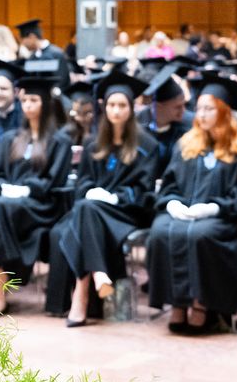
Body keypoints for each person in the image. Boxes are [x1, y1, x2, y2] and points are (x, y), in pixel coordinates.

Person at [44, 71, 158, 326]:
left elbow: (145, 190)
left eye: (122, 105)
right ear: (104, 108)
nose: (116, 111)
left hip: (126, 212)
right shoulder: (94, 143)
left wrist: (115, 197)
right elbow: (83, 182)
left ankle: (82, 292)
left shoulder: (146, 144)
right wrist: (91, 191)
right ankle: (97, 275)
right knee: (78, 215)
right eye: (111, 105)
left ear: (131, 108)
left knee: (84, 212)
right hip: (94, 211)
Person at [146, 76, 237, 335]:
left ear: (224, 112)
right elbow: (170, 184)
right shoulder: (186, 144)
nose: (202, 114)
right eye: (200, 108)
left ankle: (203, 304)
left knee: (200, 234)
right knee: (160, 231)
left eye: (209, 109)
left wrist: (211, 208)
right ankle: (177, 302)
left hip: (223, 217)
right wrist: (173, 203)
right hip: (185, 210)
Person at [0, 66, 71, 313]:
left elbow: (53, 182)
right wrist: (6, 187)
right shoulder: (12, 137)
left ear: (45, 104)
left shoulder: (59, 141)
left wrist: (26, 190)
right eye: (25, 100)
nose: (28, 105)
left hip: (40, 207)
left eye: (34, 100)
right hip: (9, 206)